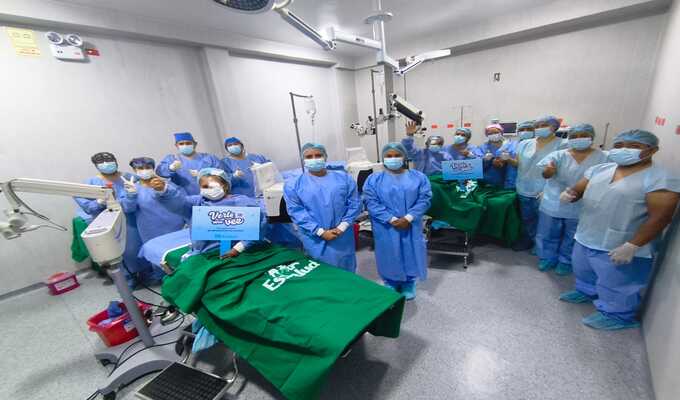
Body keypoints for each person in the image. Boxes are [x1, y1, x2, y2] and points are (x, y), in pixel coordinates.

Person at [559, 130, 680, 330]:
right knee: (583, 268)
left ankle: (618, 315)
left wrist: (633, 245)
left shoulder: (660, 178)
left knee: (618, 281)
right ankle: (586, 290)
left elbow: (660, 217)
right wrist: (570, 194)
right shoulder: (600, 169)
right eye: (619, 145)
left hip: (623, 242)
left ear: (652, 150)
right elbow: (578, 189)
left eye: (634, 146)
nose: (624, 150)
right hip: (587, 233)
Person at [534, 124, 608, 275]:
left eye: (583, 136)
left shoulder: (603, 157)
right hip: (554, 199)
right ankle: (547, 257)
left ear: (592, 137)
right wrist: (549, 171)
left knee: (572, 235)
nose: (578, 139)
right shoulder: (558, 155)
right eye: (574, 136)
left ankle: (566, 261)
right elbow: (545, 175)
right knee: (548, 231)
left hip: (584, 202)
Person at [363, 143, 432, 300]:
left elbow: (425, 199)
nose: (393, 158)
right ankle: (390, 281)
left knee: (410, 250)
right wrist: (391, 219)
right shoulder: (374, 180)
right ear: (383, 158)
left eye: (397, 155)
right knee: (388, 251)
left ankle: (409, 282)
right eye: (389, 156)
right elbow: (371, 202)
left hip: (411, 224)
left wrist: (408, 218)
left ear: (404, 157)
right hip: (385, 225)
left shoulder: (418, 178)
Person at [74, 152, 150, 288]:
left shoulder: (128, 177)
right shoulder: (91, 183)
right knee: (119, 252)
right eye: (101, 162)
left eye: (109, 161)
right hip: (109, 222)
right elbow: (85, 204)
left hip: (132, 220)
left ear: (115, 161)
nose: (106, 164)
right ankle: (126, 281)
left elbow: (146, 188)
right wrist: (99, 202)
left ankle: (147, 274)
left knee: (137, 248)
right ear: (96, 166)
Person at [284, 143, 361, 272]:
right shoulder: (294, 185)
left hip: (342, 235)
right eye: (309, 157)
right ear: (303, 160)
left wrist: (342, 227)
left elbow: (355, 204)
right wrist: (320, 232)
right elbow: (296, 212)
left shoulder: (344, 179)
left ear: (325, 157)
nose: (314, 159)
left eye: (318, 155)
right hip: (315, 237)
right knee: (322, 271)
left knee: (346, 269)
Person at [161, 168, 267, 257]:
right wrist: (165, 190)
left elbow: (258, 225)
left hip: (241, 251)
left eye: (211, 186)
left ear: (225, 185)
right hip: (205, 253)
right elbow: (178, 203)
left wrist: (239, 248)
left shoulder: (242, 202)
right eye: (204, 187)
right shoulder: (197, 203)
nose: (207, 189)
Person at [511, 115, 567, 251]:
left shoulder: (563, 144)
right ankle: (529, 240)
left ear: (554, 127)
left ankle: (542, 246)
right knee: (527, 218)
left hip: (548, 189)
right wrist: (507, 159)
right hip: (524, 186)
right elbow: (518, 163)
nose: (539, 128)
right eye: (537, 126)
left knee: (546, 221)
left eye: (544, 125)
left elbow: (564, 169)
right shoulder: (524, 143)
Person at [119, 157, 186, 244]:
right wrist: (131, 196)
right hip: (152, 232)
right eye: (140, 168)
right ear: (134, 170)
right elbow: (128, 209)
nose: (144, 170)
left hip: (177, 228)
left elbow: (182, 202)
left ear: (153, 168)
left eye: (148, 167)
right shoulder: (131, 189)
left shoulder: (166, 184)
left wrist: (164, 189)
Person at [156, 132, 223, 196]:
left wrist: (205, 175)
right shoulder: (172, 159)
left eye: (188, 143)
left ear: (195, 144)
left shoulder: (209, 158)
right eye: (181, 144)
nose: (185, 145)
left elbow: (222, 174)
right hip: (184, 199)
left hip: (211, 196)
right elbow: (160, 171)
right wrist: (170, 168)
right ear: (176, 145)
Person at [504, 120, 535, 190]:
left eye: (529, 129)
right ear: (517, 132)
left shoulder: (539, 145)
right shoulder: (511, 145)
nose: (525, 131)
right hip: (512, 181)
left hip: (532, 183)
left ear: (534, 131)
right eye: (522, 130)